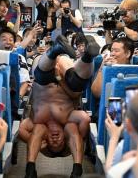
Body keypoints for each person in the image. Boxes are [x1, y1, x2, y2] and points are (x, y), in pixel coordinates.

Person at [19, 35, 100, 178]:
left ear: (45, 139)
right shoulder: (69, 122)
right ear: (66, 139)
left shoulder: (38, 124)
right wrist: (59, 78)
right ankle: (88, 56)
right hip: (67, 77)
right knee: (76, 82)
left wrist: (31, 141)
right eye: (59, 143)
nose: (55, 140)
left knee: (42, 75)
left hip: (42, 72)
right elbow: (83, 116)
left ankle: (54, 50)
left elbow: (22, 129)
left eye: (52, 144)